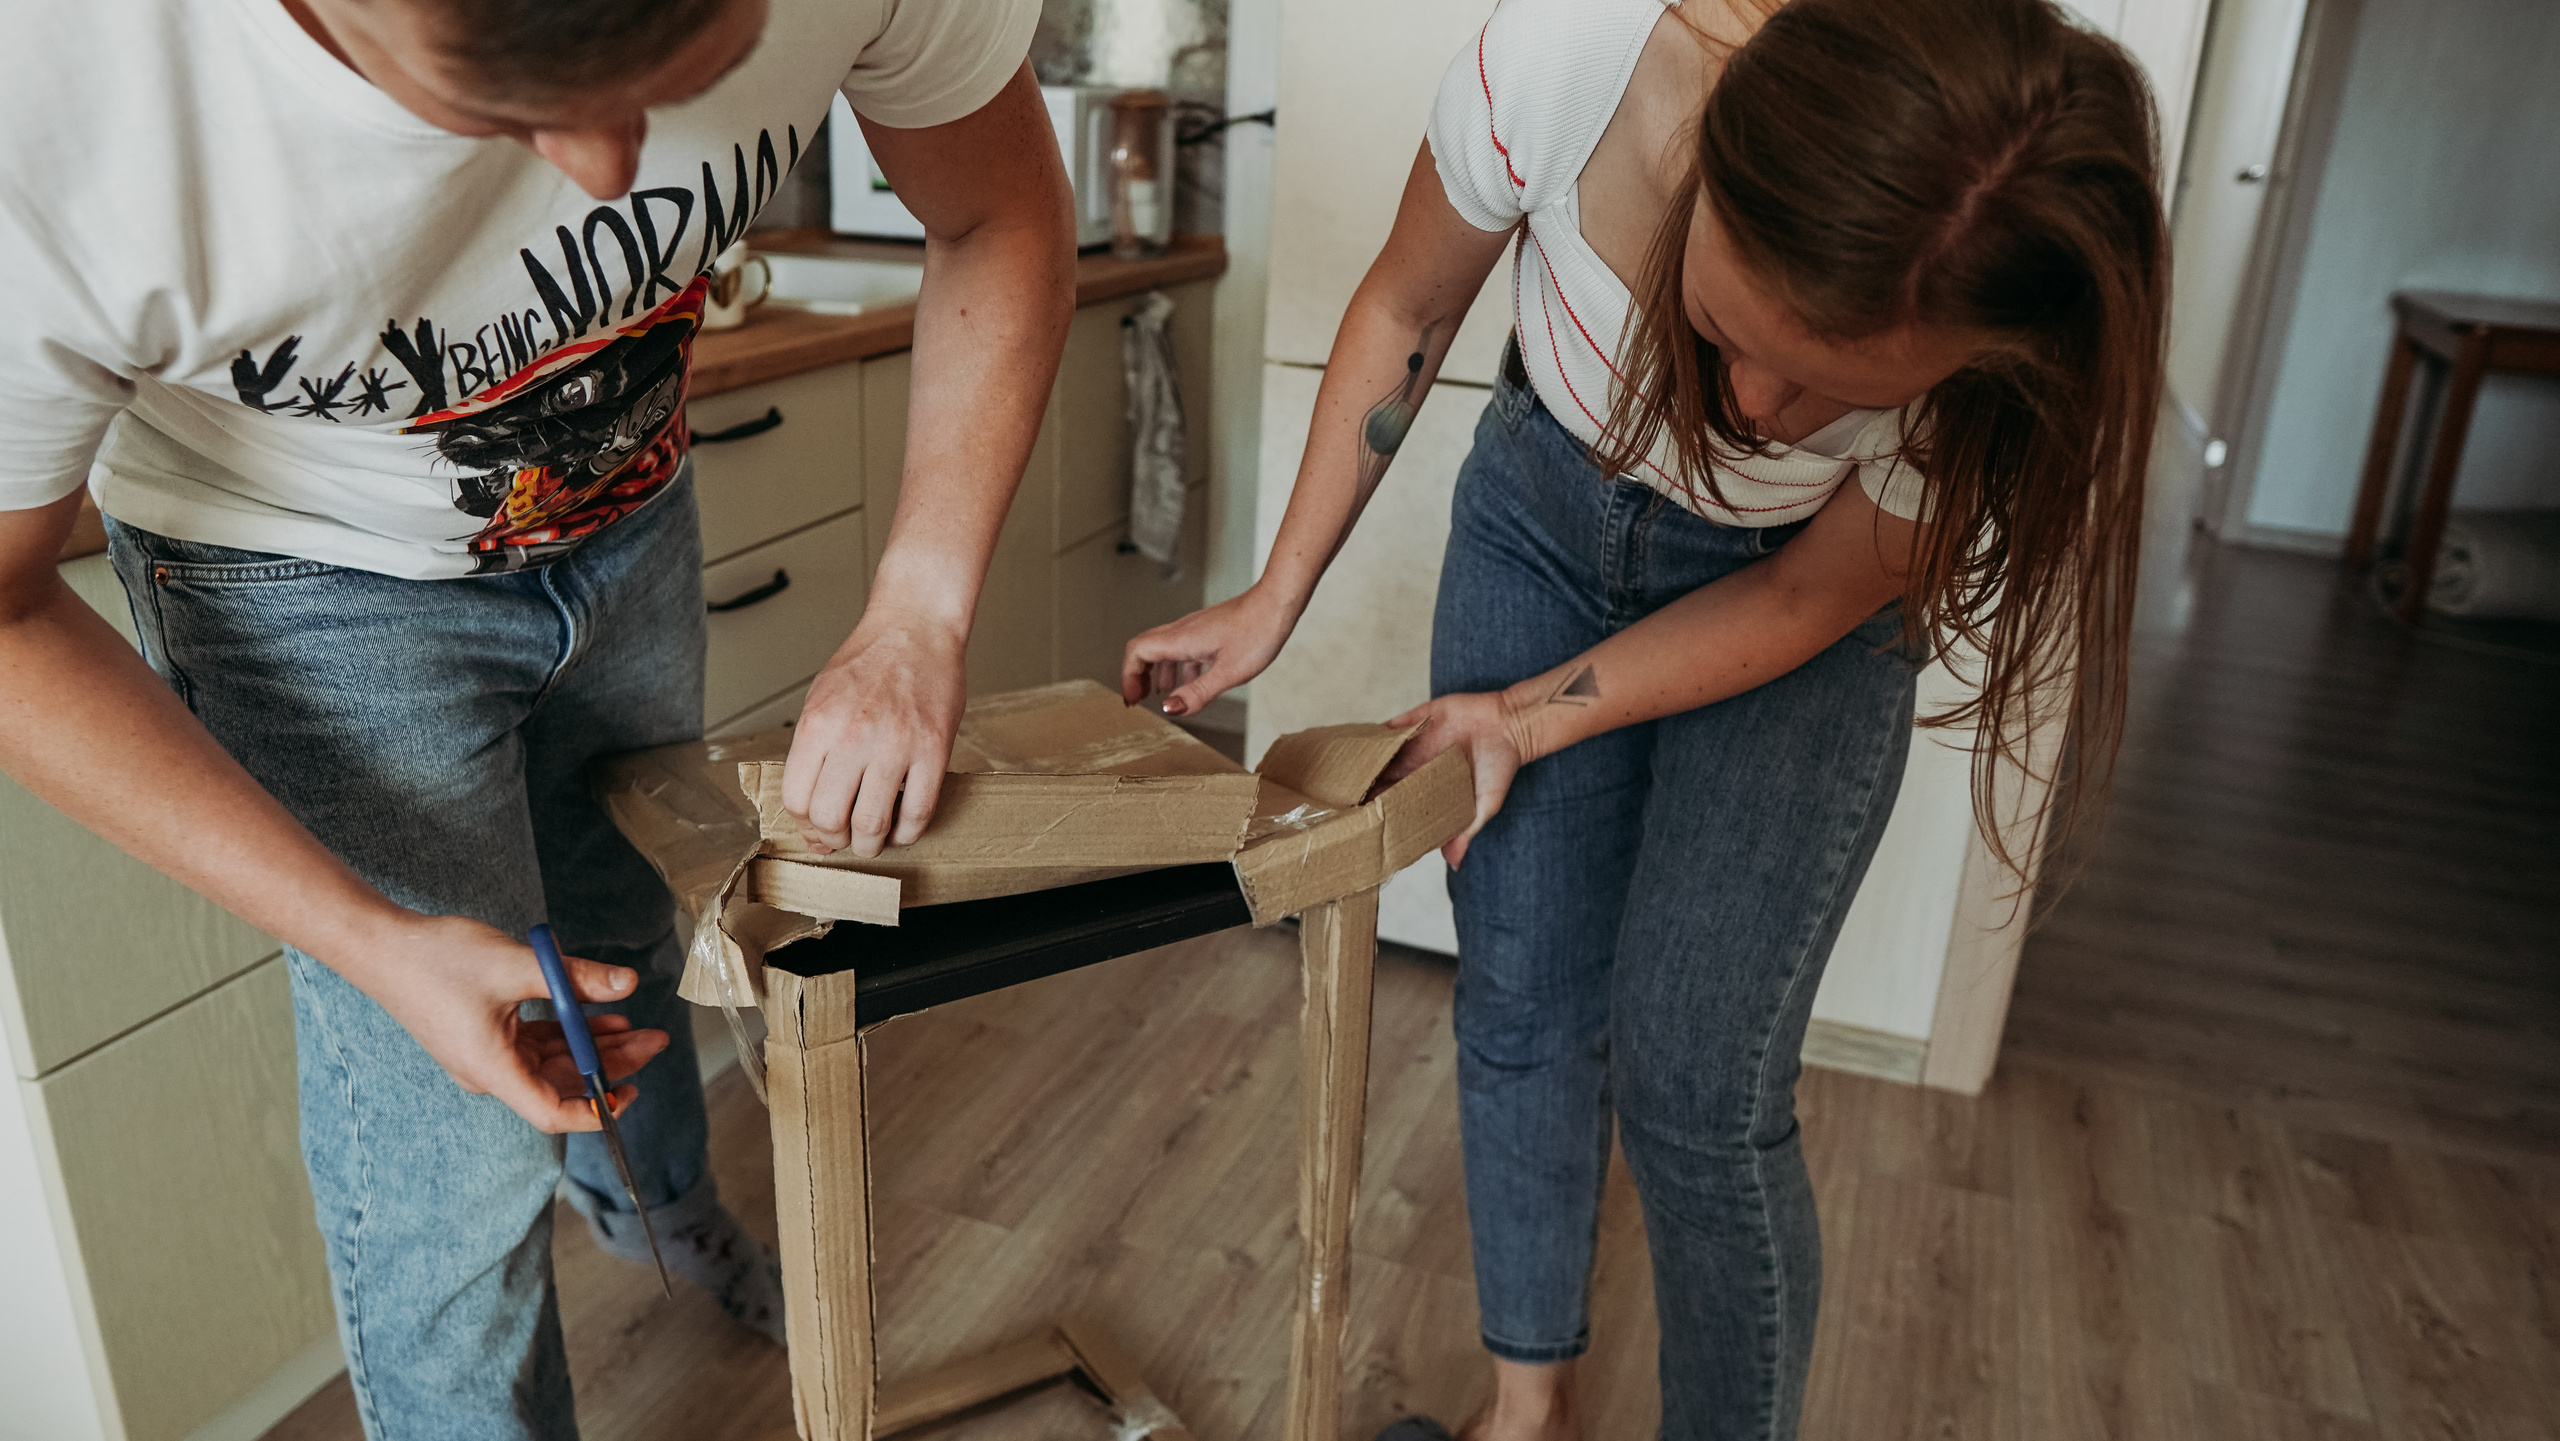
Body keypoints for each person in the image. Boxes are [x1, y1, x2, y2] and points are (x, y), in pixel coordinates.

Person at [0, 0, 1071, 1435]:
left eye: (683, 79)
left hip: (632, 505)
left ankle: (660, 1209)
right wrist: (373, 943)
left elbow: (996, 212)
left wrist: (921, 610)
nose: (611, 168)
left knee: (628, 934)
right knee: (458, 1154)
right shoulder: (60, 107)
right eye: (504, 107)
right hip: (302, 581)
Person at [1122, 0, 2165, 1434]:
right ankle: (1526, 1409)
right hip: (1539, 522)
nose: (1751, 405)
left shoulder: (1996, 326)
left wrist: (1522, 719)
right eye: (1727, 331)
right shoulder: (1571, 56)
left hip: (1799, 619)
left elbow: (1806, 600)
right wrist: (1271, 597)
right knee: (1522, 1000)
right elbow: (1407, 305)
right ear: (1719, 160)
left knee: (1699, 1086)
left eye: (1833, 399)